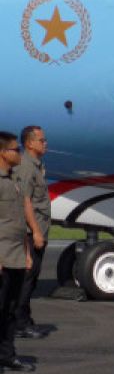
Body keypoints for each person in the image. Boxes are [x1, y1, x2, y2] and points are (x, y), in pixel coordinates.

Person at [0, 131, 35, 372]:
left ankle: (7, 354)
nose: (19, 153)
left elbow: (19, 220)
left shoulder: (15, 181)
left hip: (16, 255)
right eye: (16, 150)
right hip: (1, 255)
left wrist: (27, 252)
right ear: (3, 153)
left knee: (10, 309)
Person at [13, 126, 50, 339]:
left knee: (32, 278)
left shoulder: (36, 165)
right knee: (27, 278)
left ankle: (24, 317)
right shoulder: (27, 167)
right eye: (42, 140)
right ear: (30, 143)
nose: (45, 143)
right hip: (30, 232)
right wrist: (35, 232)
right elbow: (25, 201)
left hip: (38, 230)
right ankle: (20, 322)